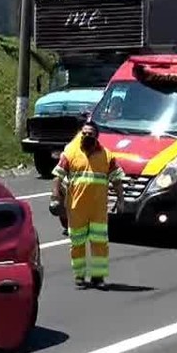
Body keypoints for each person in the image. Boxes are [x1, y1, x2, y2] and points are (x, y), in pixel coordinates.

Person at [52, 120, 124, 289]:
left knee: (100, 243)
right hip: (76, 208)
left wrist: (120, 200)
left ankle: (98, 277)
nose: (86, 136)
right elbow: (58, 176)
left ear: (96, 137)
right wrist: (55, 197)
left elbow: (117, 179)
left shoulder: (107, 155)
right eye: (83, 133)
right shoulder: (70, 153)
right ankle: (79, 276)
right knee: (77, 243)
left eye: (89, 134)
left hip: (98, 209)